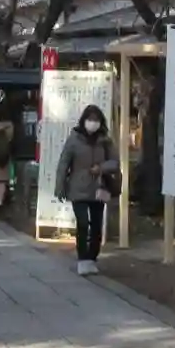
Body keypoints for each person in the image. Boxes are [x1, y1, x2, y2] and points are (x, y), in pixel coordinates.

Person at [55, 103, 120, 276]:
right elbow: (64, 163)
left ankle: (92, 258)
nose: (93, 123)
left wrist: (101, 168)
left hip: (99, 188)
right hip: (78, 188)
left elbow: (115, 162)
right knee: (83, 223)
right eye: (90, 119)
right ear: (84, 120)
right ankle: (83, 259)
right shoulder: (74, 140)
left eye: (96, 120)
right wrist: (60, 186)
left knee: (97, 226)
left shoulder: (105, 141)